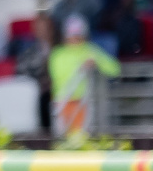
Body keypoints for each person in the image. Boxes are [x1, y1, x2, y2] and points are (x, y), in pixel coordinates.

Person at [48, 14, 119, 143]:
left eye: (78, 35)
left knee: (82, 141)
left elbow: (114, 69)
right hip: (62, 103)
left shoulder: (90, 50)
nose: (75, 39)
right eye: (71, 35)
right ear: (65, 36)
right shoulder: (57, 54)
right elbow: (58, 77)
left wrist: (96, 62)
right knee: (62, 141)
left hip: (82, 103)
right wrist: (81, 66)